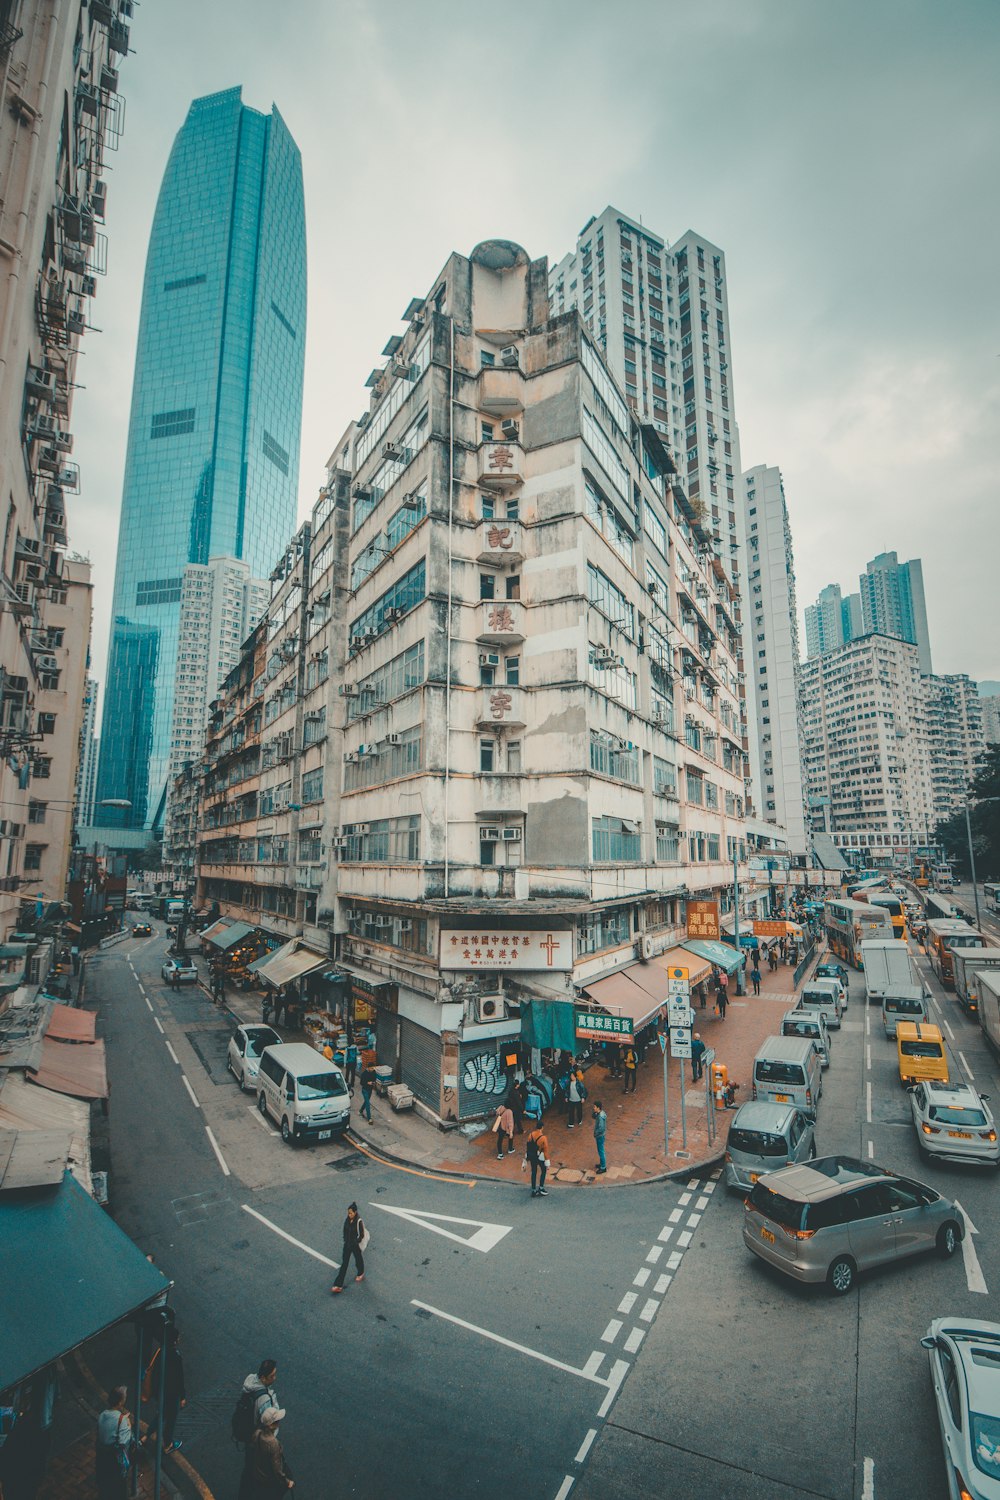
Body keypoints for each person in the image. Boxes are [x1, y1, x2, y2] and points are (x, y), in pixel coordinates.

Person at [144, 1326, 187, 1453]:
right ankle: (168, 1445)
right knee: (171, 1420)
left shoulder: (160, 1352)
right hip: (171, 1394)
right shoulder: (175, 1356)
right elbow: (179, 1378)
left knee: (161, 1414)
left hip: (160, 1392)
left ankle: (146, 1435)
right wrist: (183, 1396)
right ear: (174, 1341)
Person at [240, 1407, 293, 1497]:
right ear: (272, 1425)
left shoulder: (257, 1434)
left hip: (258, 1476)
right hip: (269, 1481)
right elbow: (277, 1470)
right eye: (277, 1421)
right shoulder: (274, 1444)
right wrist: (287, 1482)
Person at [95, 1387, 132, 1500]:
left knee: (106, 1487)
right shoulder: (122, 1421)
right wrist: (128, 1425)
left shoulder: (102, 1415)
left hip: (102, 1459)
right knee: (120, 1490)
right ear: (120, 1401)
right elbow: (124, 1442)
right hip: (115, 1462)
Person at [331, 1203, 366, 1293]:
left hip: (355, 1245)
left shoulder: (359, 1221)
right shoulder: (347, 1220)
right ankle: (338, 1284)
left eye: (351, 1213)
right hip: (347, 1245)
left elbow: (361, 1235)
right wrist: (345, 1240)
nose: (349, 1215)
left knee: (358, 1259)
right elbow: (345, 1230)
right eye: (348, 1213)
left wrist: (355, 1242)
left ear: (355, 1212)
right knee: (344, 1264)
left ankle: (360, 1272)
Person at [241, 1360, 280, 1431]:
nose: (275, 1378)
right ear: (263, 1378)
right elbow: (269, 1423)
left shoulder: (251, 1379)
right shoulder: (265, 1400)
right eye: (272, 1376)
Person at [525, 1125, 549, 1196]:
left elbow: (528, 1145)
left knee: (534, 1172)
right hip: (539, 1157)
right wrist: (547, 1162)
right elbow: (546, 1150)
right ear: (542, 1127)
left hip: (532, 1156)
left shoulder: (530, 1135)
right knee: (543, 1170)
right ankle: (541, 1187)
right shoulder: (543, 1138)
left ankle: (533, 1189)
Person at [592, 1100, 608, 1174]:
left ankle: (603, 1167)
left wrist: (596, 1133)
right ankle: (602, 1164)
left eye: (594, 1107)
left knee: (601, 1151)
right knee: (600, 1150)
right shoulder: (601, 1113)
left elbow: (601, 1128)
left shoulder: (600, 1117)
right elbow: (594, 1116)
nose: (593, 1108)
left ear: (598, 1107)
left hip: (600, 1136)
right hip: (601, 1135)